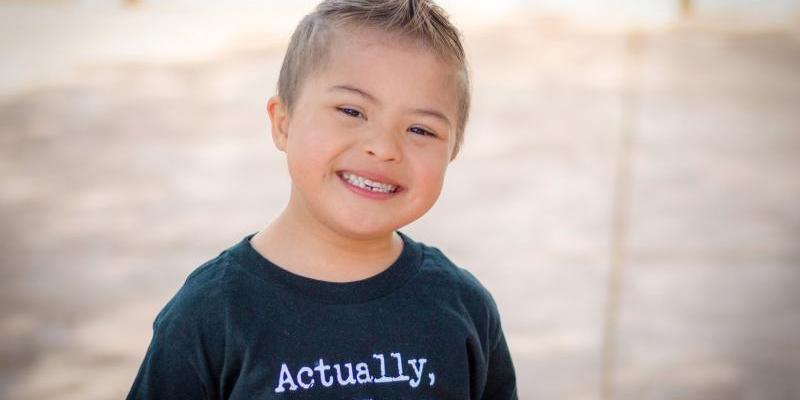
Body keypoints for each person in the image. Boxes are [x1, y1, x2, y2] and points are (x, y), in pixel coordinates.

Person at [126, 0, 517, 398]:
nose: (383, 148)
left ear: (452, 152)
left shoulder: (463, 308)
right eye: (351, 110)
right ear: (283, 122)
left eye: (420, 130)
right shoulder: (212, 314)